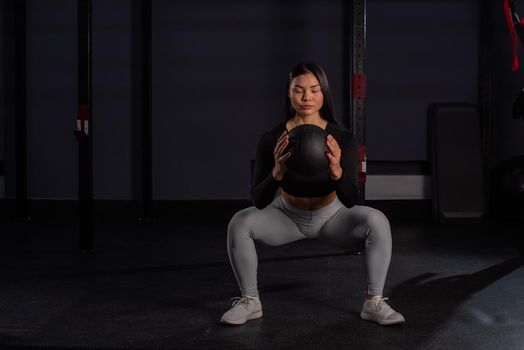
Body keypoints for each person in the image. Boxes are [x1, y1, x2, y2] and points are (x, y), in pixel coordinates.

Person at [220, 61, 405, 326]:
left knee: (377, 220)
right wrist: (277, 173)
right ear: (289, 93)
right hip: (287, 216)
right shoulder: (272, 139)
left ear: (324, 94)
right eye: (299, 90)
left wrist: (337, 171)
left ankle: (373, 302)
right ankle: (251, 302)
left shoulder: (342, 137)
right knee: (239, 222)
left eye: (314, 90)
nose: (307, 97)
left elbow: (352, 199)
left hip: (332, 216)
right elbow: (258, 200)